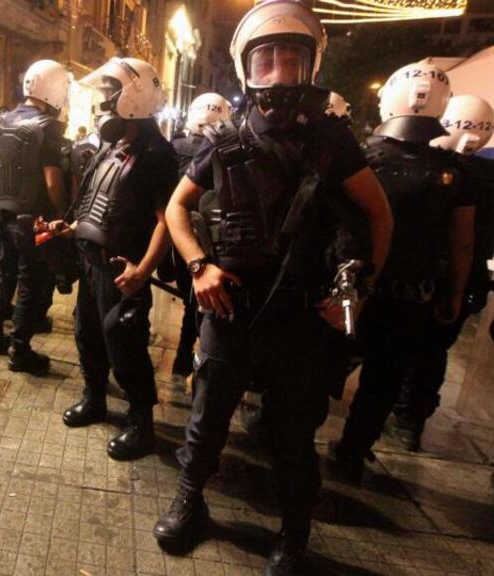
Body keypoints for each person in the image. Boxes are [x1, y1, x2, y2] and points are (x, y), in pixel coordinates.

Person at [154, 2, 393, 574]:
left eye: (293, 59)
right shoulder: (225, 137)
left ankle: (294, 532)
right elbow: (176, 208)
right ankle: (190, 503)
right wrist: (198, 267)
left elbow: (379, 217)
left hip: (301, 315)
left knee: (293, 433)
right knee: (207, 418)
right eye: (268, 60)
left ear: (311, 66)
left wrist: (357, 293)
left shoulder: (333, 142)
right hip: (228, 303)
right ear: (247, 69)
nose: (281, 72)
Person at [330, 62, 473, 482]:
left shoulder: (360, 157)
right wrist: (455, 293)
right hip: (410, 294)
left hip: (354, 288)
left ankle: (292, 434)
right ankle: (353, 451)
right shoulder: (452, 172)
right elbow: (461, 242)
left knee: (329, 361)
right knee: (385, 376)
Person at [55, 57, 177, 461]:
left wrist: (143, 271)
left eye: (111, 91)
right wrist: (70, 227)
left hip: (123, 270)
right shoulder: (109, 145)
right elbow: (96, 202)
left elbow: (167, 220)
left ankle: (141, 422)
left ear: (134, 96)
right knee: (88, 335)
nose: (104, 100)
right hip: (90, 262)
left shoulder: (157, 154)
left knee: (125, 344)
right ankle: (95, 399)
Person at [391, 94, 494, 451]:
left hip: (421, 271)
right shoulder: (492, 174)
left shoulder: (439, 170)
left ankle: (384, 415)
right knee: (433, 351)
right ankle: (411, 420)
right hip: (463, 274)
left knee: (394, 349)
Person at [0, 59, 69, 375]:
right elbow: (51, 181)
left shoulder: (1, 120)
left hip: (0, 214)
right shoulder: (48, 127)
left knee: (2, 274)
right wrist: (60, 211)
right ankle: (19, 349)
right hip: (32, 219)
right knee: (30, 283)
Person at [168, 92, 232, 389]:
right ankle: (189, 360)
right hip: (214, 244)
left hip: (180, 243)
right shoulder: (232, 150)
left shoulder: (175, 148)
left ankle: (183, 360)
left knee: (189, 303)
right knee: (201, 307)